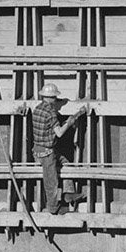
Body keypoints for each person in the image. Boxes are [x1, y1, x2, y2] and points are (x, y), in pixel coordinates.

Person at [32, 83, 87, 215]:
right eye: (55, 98)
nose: (57, 100)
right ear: (52, 98)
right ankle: (54, 208)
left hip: (37, 150)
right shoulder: (51, 113)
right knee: (51, 182)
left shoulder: (37, 109)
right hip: (47, 153)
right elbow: (59, 133)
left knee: (65, 162)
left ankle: (68, 193)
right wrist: (69, 122)